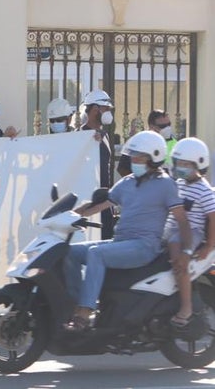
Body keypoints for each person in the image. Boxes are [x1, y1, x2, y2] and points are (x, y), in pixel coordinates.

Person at [62, 130, 189, 332]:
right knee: (69, 252)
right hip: (121, 243)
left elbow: (182, 220)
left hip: (144, 247)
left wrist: (186, 251)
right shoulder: (127, 182)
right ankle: (76, 305)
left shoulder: (165, 184)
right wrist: (68, 215)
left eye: (139, 157)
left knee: (96, 253)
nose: (134, 161)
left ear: (154, 158)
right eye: (133, 156)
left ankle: (85, 313)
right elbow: (99, 204)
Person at [164, 138, 215, 326]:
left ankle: (186, 307)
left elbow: (213, 218)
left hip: (192, 231)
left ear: (199, 164)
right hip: (173, 228)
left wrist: (209, 246)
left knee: (178, 255)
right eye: (178, 163)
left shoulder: (204, 190)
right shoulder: (179, 183)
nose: (180, 168)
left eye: (186, 164)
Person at [80, 89, 117, 238]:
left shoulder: (104, 135)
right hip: (89, 201)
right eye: (106, 109)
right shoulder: (81, 136)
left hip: (104, 199)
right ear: (95, 110)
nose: (108, 112)